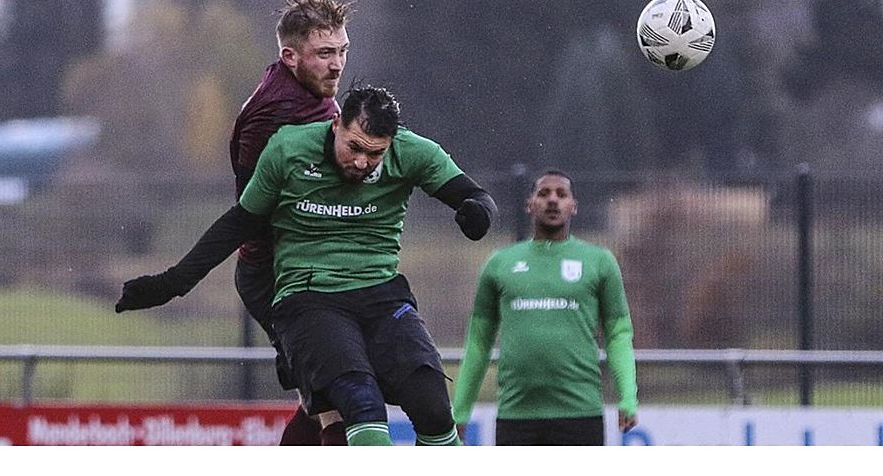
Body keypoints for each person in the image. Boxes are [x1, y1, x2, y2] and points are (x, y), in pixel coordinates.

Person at [115, 86, 497, 446]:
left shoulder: (413, 152)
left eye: (375, 154)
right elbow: (241, 222)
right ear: (336, 125)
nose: (363, 162)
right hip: (308, 297)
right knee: (360, 402)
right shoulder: (288, 149)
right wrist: (172, 282)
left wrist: (477, 213)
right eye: (355, 147)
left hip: (381, 293)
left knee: (433, 407)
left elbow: (476, 196)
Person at [227, 0, 352, 445]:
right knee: (336, 398)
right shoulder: (274, 112)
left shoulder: (313, 95)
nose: (337, 63)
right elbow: (255, 210)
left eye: (342, 50)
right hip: (276, 275)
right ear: (290, 57)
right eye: (324, 53)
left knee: (322, 397)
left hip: (312, 268)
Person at [451, 169, 638, 446]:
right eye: (543, 193)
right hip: (516, 416)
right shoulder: (500, 264)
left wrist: (628, 396)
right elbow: (478, 341)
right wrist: (461, 409)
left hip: (580, 414)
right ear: (530, 205)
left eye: (561, 194)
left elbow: (618, 334)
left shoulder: (599, 262)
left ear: (573, 206)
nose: (553, 200)